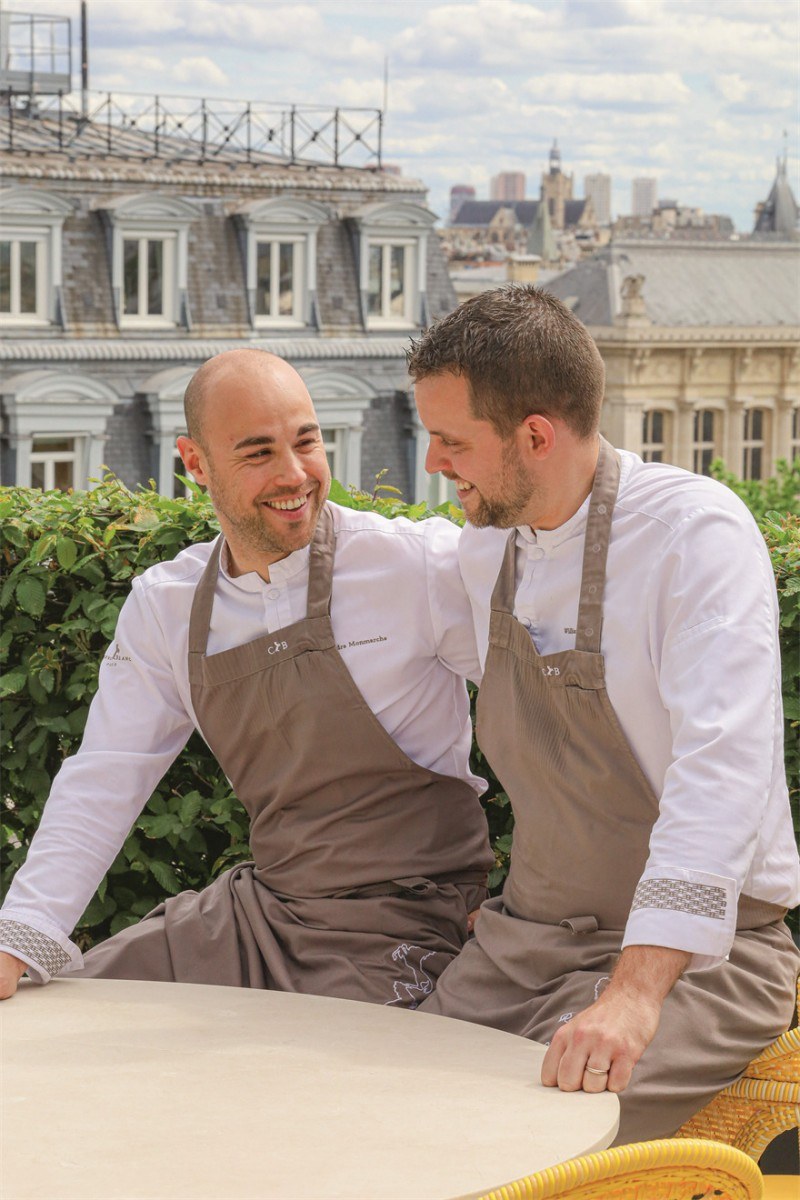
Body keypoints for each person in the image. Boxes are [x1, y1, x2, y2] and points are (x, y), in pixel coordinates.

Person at [408, 285, 800, 1145]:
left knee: (513, 1144)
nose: (434, 461)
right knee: (388, 1122)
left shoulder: (696, 536)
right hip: (520, 952)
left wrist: (631, 995)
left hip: (699, 967)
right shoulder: (483, 551)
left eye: (451, 440)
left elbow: (721, 776)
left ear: (536, 436)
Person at [0, 349, 492, 1004]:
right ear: (195, 462)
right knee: (67, 1019)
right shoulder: (166, 606)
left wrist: (532, 906)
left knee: (314, 1087)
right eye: (258, 453)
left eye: (306, 442)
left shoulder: (418, 568)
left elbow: (554, 719)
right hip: (262, 912)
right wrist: (18, 940)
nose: (294, 475)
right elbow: (107, 774)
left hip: (403, 922)